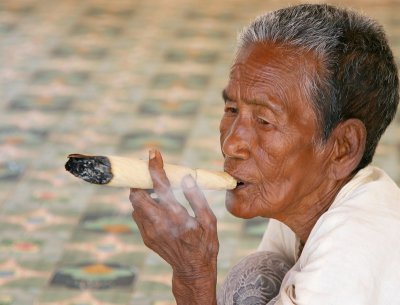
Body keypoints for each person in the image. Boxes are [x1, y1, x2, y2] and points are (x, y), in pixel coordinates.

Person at [129, 3, 400, 305]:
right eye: (231, 109)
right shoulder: (307, 204)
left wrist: (193, 276)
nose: (232, 144)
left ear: (342, 148)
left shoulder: (352, 252)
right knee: (255, 275)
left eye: (264, 121)